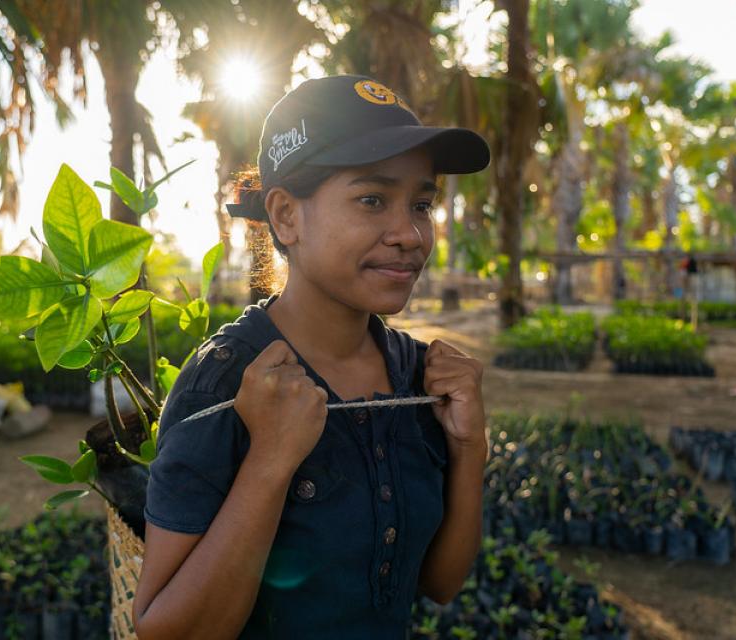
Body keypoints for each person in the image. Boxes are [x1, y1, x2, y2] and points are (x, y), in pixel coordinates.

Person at [133, 75, 491, 639]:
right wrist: (271, 460)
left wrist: (470, 448)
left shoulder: (421, 377)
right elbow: (165, 632)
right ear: (286, 216)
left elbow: (438, 584)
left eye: (421, 203)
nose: (410, 234)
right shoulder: (224, 385)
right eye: (372, 199)